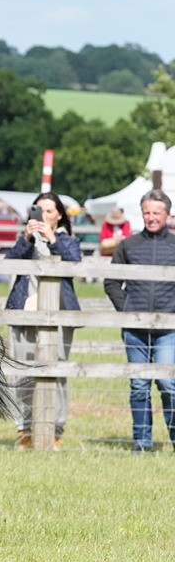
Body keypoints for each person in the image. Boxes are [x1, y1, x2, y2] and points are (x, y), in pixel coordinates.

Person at [3, 192, 82, 449]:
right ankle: (25, 430)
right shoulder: (25, 240)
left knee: (56, 374)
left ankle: (55, 430)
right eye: (39, 211)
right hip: (24, 312)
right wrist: (27, 238)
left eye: (49, 211)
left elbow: (75, 263)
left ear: (59, 214)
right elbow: (9, 264)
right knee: (24, 372)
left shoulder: (68, 240)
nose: (44, 216)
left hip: (58, 315)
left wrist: (52, 238)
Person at [104, 190, 175, 453]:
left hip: (168, 329)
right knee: (139, 385)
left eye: (156, 212)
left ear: (167, 215)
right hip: (135, 328)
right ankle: (142, 442)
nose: (151, 217)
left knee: (169, 384)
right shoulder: (128, 245)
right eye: (147, 212)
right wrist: (127, 308)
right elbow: (111, 282)